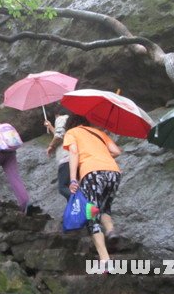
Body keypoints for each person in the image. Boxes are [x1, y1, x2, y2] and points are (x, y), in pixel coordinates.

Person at [63, 114, 122, 267]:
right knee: (104, 208)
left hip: (92, 173)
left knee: (91, 215)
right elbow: (116, 151)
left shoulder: (72, 133)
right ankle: (110, 230)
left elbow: (74, 152)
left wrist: (73, 179)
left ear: (70, 125)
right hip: (113, 172)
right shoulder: (98, 132)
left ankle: (105, 260)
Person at [44, 105, 70, 200]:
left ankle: (81, 202)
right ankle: (76, 210)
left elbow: (59, 136)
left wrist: (51, 146)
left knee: (63, 187)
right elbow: (61, 133)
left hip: (66, 157)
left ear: (56, 114)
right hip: (74, 157)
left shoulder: (60, 118)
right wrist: (50, 127)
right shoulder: (69, 120)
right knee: (72, 186)